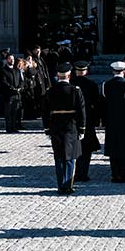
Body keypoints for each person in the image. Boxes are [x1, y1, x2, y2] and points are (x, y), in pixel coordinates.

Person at [42, 62, 86, 195]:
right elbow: (81, 111)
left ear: (58, 76)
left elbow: (44, 112)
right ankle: (68, 185)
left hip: (55, 126)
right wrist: (82, 128)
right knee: (70, 157)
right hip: (71, 126)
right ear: (69, 75)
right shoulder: (75, 90)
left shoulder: (50, 91)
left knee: (59, 157)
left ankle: (60, 185)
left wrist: (47, 129)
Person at [71, 61, 102, 182]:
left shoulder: (71, 84)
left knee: (74, 147)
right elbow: (97, 104)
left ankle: (73, 172)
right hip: (87, 120)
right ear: (86, 71)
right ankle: (83, 173)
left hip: (73, 119)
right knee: (86, 149)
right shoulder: (92, 85)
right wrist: (97, 120)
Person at [0, 53, 23, 133]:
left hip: (16, 94)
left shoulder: (17, 70)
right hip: (8, 95)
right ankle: (9, 128)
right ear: (7, 60)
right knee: (8, 112)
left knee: (15, 112)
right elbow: (3, 82)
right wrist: (12, 88)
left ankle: (14, 127)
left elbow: (21, 81)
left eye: (13, 59)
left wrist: (20, 87)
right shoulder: (3, 70)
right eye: (10, 59)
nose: (12, 60)